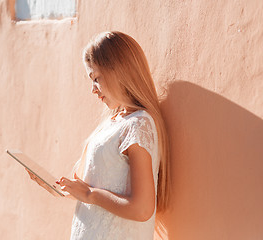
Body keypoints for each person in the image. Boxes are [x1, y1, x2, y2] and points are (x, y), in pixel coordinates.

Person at [29, 31, 170, 239]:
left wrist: (89, 194)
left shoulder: (139, 124)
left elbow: (142, 209)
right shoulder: (111, 124)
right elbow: (91, 188)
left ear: (118, 70)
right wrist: (57, 185)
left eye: (96, 78)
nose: (93, 90)